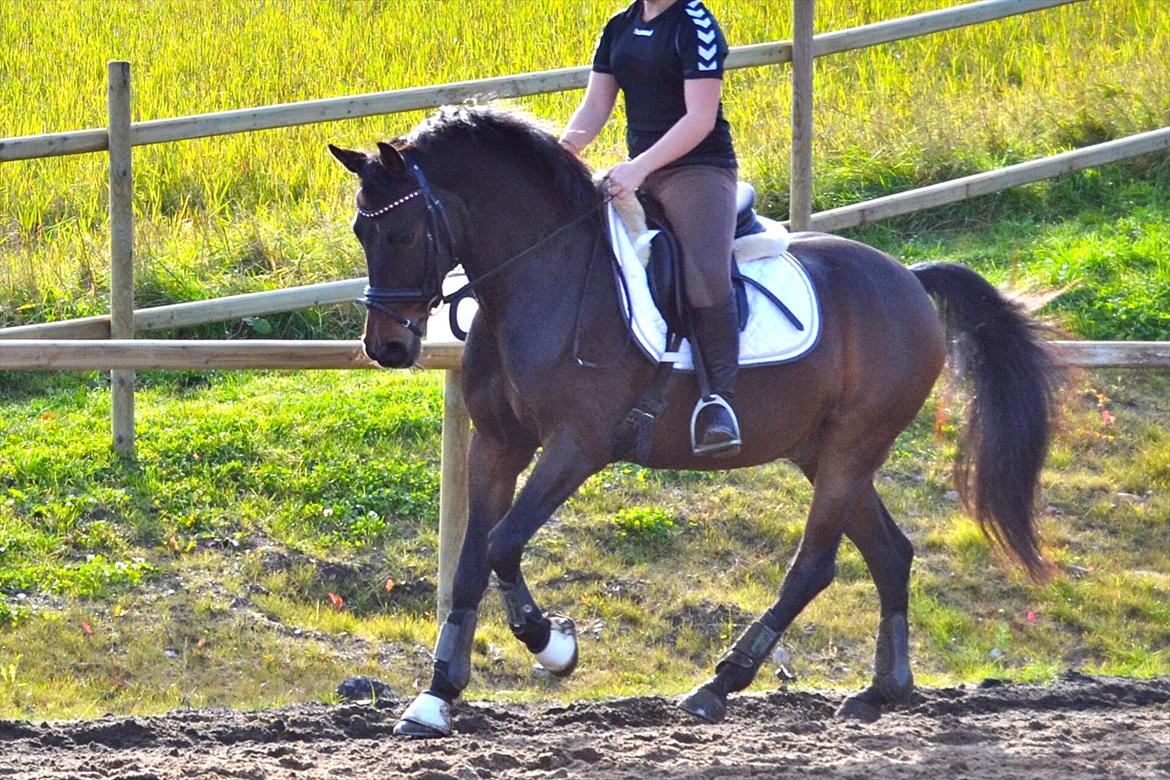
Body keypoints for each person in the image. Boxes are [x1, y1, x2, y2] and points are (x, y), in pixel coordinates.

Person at [560, 0, 742, 458]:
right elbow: (595, 106)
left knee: (703, 275)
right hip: (638, 169)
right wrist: (558, 157)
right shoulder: (619, 25)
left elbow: (699, 118)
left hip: (697, 170)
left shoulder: (695, 24)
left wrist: (638, 168)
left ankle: (719, 400)